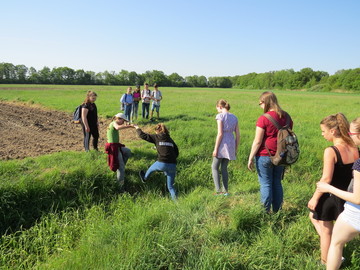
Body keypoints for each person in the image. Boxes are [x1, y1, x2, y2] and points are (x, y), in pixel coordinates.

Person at [308, 113, 359, 266]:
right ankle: (335, 254)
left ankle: (325, 261)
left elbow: (326, 179)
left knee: (326, 230)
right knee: (337, 232)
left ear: (333, 131)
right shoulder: (354, 147)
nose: (322, 134)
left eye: (323, 131)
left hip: (331, 195)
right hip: (348, 195)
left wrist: (315, 197)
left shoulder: (331, 151)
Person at [247, 91, 293, 212]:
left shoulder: (264, 118)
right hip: (281, 155)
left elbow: (257, 141)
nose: (260, 106)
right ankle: (277, 211)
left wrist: (250, 157)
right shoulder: (287, 117)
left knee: (266, 184)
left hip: (264, 155)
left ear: (265, 102)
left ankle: (264, 212)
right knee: (277, 183)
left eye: (260, 103)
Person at [134, 123, 179, 200]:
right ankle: (177, 204)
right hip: (173, 164)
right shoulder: (170, 139)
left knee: (151, 168)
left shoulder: (156, 137)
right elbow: (177, 151)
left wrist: (137, 127)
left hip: (162, 163)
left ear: (157, 131)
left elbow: (143, 135)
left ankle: (144, 178)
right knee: (171, 187)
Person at [212, 99, 240, 196]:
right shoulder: (235, 117)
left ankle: (218, 191)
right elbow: (238, 135)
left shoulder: (220, 116)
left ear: (220, 107)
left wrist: (215, 148)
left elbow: (220, 133)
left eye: (217, 108)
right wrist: (236, 148)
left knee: (214, 167)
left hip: (222, 143)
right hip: (231, 143)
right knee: (224, 168)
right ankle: (225, 191)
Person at [105, 113, 133, 186]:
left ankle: (121, 166)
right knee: (121, 169)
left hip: (116, 146)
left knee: (128, 152)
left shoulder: (113, 123)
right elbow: (117, 127)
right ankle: (120, 186)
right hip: (113, 147)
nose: (123, 122)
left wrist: (127, 125)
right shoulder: (114, 123)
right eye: (123, 121)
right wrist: (129, 126)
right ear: (119, 119)